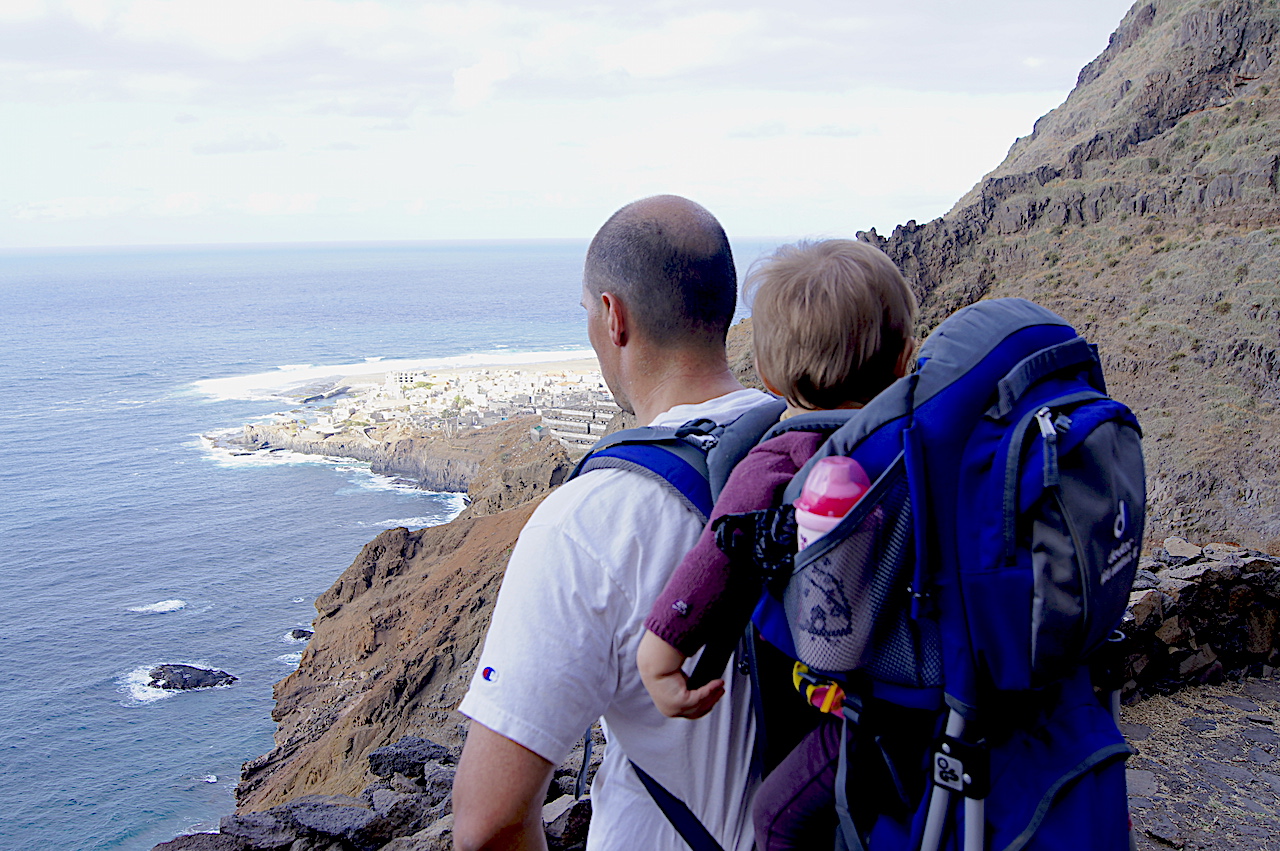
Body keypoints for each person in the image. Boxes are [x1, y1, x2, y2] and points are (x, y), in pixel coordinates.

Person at [452, 195, 776, 851]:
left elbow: (488, 823)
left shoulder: (592, 518)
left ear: (613, 317)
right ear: (724, 307)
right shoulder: (831, 452)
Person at [636, 239, 918, 850]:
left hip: (869, 715)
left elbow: (719, 556)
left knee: (777, 818)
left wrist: (659, 656)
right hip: (955, 677)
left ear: (766, 377)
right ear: (906, 359)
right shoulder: (923, 440)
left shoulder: (779, 461)